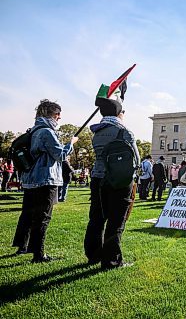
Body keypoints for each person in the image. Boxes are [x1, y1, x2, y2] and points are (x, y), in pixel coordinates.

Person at [12, 99, 77, 262]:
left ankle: (23, 246)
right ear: (50, 114)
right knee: (43, 216)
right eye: (57, 115)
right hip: (45, 179)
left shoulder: (34, 129)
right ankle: (38, 254)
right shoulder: (47, 132)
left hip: (30, 179)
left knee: (28, 214)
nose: (59, 118)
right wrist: (70, 144)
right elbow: (60, 155)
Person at [84, 98, 139, 269]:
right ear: (118, 113)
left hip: (98, 177)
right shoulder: (124, 131)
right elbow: (135, 160)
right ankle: (111, 260)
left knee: (96, 219)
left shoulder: (97, 132)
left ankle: (93, 255)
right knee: (116, 221)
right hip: (118, 180)